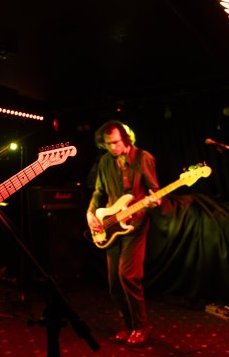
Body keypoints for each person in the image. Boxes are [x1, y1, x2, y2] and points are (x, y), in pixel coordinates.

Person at [85, 120, 160, 347]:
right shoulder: (105, 162)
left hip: (135, 225)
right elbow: (99, 193)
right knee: (113, 284)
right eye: (108, 144)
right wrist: (90, 214)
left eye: (116, 142)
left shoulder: (143, 158)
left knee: (128, 276)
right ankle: (129, 325)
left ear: (126, 139)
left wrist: (154, 199)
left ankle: (142, 326)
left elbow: (154, 191)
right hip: (111, 225)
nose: (112, 148)